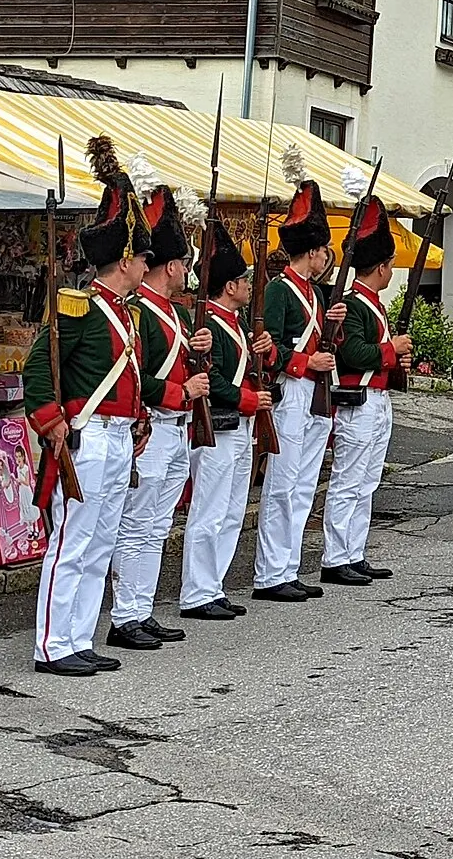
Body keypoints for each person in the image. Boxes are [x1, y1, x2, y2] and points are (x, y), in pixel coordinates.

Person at [24, 135, 153, 676]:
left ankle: (79, 638)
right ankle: (52, 645)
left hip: (116, 437)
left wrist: (139, 418)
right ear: (125, 259)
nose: (149, 267)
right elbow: (36, 369)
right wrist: (52, 424)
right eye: (144, 259)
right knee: (71, 542)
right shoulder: (78, 307)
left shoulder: (128, 312)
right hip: (85, 436)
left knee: (100, 542)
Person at [108, 182, 211, 651]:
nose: (188, 272)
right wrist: (179, 390)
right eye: (185, 264)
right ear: (173, 266)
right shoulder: (141, 312)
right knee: (136, 524)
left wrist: (199, 354)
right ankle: (124, 615)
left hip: (177, 428)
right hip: (151, 428)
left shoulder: (175, 314)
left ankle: (141, 610)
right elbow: (134, 379)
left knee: (155, 527)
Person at [252, 179, 345, 601]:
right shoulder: (279, 291)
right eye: (325, 250)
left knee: (305, 483)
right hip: (291, 391)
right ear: (314, 251)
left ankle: (288, 567)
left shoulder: (313, 293)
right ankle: (271, 573)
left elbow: (320, 341)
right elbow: (266, 346)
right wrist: (304, 363)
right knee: (283, 483)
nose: (327, 258)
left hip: (314, 392)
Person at [179, 226, 272, 621]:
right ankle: (196, 592)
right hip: (219, 423)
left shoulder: (235, 323)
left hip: (240, 426)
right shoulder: (211, 324)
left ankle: (212, 585)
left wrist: (263, 358)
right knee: (210, 510)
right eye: (244, 280)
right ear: (230, 285)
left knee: (233, 510)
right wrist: (246, 398)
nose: (249, 286)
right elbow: (212, 378)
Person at [321, 196, 412, 586]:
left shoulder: (371, 302)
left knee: (367, 481)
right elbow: (354, 353)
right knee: (348, 479)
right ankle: (335, 555)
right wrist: (394, 351)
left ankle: (353, 552)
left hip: (377, 399)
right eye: (391, 266)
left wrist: (395, 362)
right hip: (357, 401)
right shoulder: (355, 303)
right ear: (382, 266)